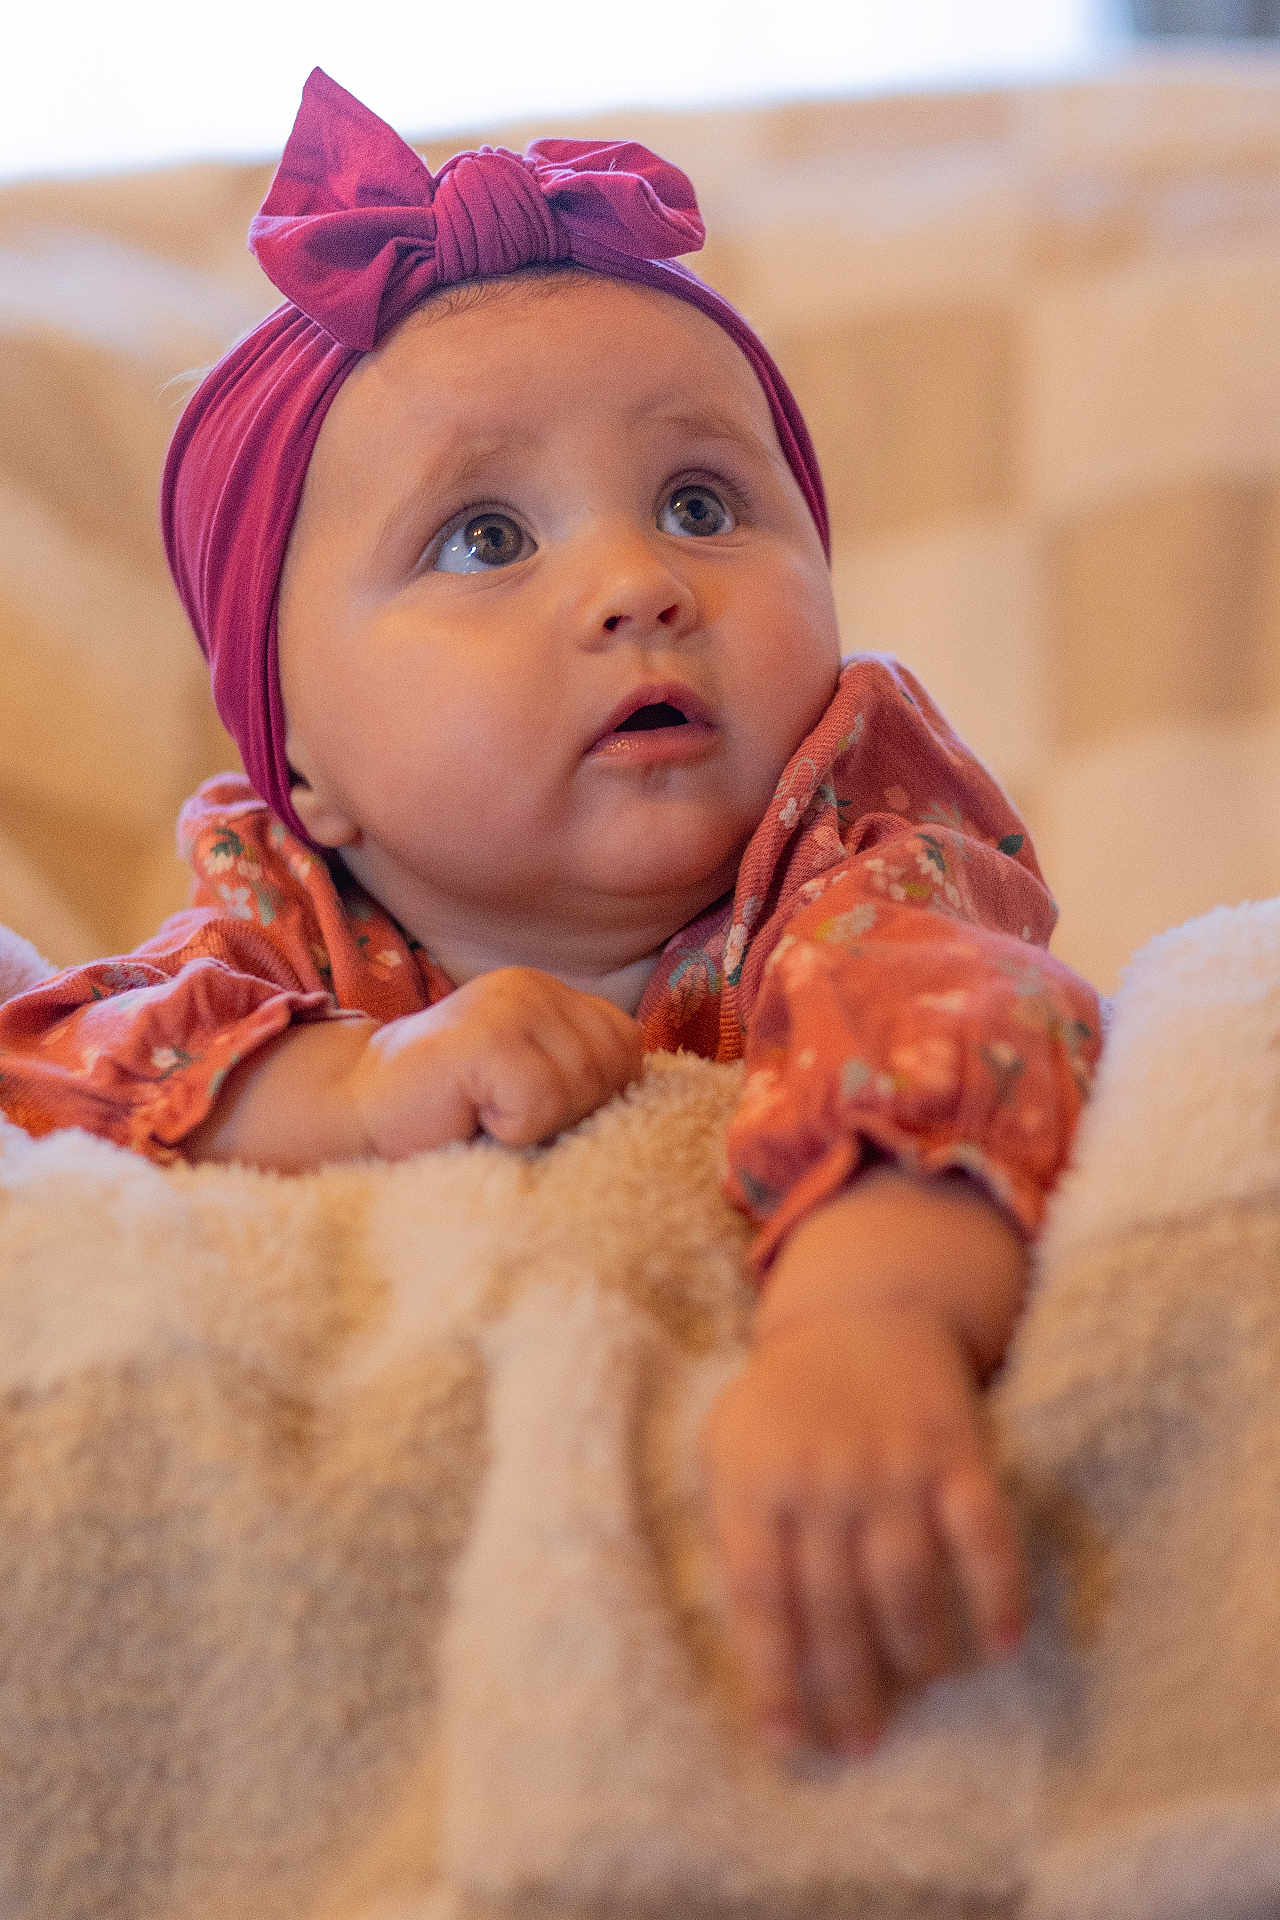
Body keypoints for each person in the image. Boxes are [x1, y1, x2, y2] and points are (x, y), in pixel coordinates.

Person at [0, 71, 1100, 1767]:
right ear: (304, 763)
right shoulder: (284, 925)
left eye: (702, 505)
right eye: (486, 536)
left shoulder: (854, 843)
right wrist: (357, 1086)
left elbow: (952, 1016)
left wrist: (866, 1326)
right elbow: (68, 1071)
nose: (639, 584)